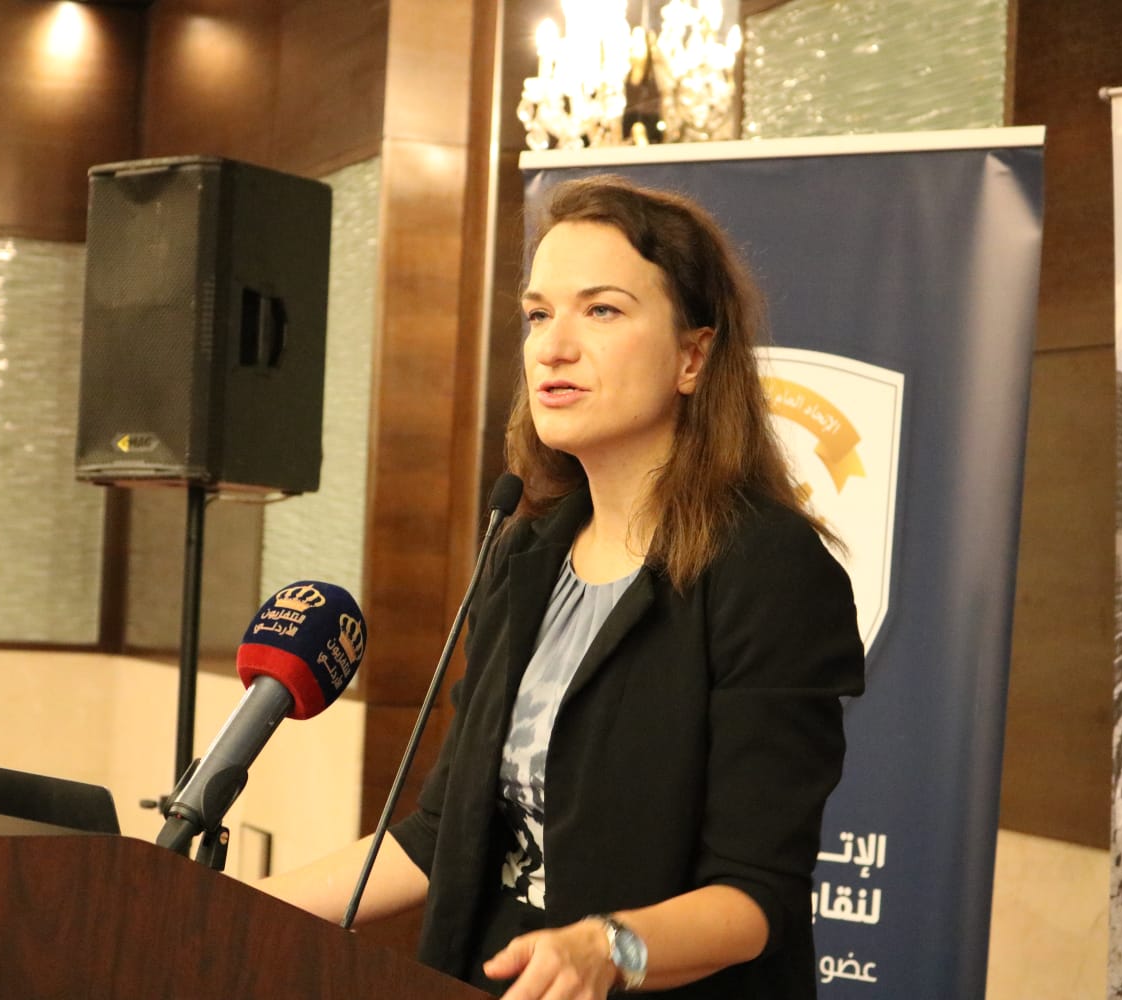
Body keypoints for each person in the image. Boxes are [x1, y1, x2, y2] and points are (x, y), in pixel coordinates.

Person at [256, 174, 865, 999]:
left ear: (693, 356)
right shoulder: (526, 554)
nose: (552, 347)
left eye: (602, 310)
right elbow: (443, 832)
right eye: (539, 314)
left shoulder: (768, 568)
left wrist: (611, 949)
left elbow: (756, 898)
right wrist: (230, 905)